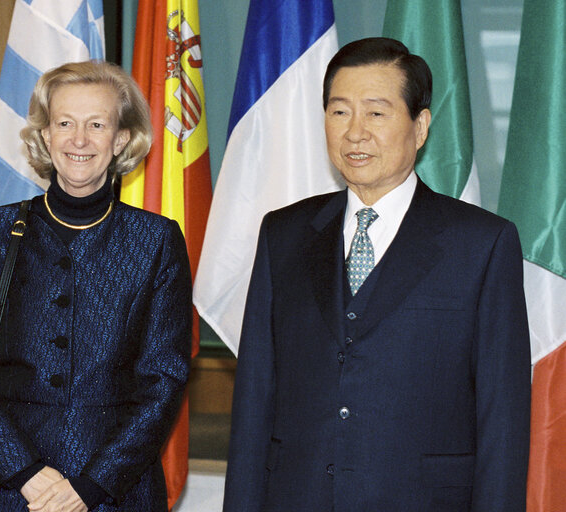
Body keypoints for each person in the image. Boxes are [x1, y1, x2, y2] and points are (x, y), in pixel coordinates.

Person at [223, 37, 530, 511]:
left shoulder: (482, 244)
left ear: (420, 125)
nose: (354, 133)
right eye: (339, 112)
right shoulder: (282, 234)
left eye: (377, 113)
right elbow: (253, 403)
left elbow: (503, 420)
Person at [0, 61, 192, 511]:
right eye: (64, 123)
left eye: (97, 125)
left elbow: (164, 379)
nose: (79, 140)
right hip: (8, 488)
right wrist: (25, 473)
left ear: (121, 140)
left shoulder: (157, 241)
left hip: (117, 492)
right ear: (45, 136)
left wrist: (92, 486)